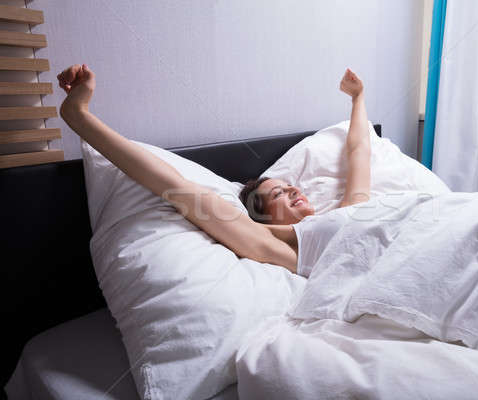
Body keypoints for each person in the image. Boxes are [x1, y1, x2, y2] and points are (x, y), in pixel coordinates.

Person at [58, 64, 371, 274]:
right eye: (277, 193)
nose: (292, 189)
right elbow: (177, 186)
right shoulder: (285, 252)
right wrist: (79, 115)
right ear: (262, 216)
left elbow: (359, 151)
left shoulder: (349, 210)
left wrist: (357, 98)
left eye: (290, 187)